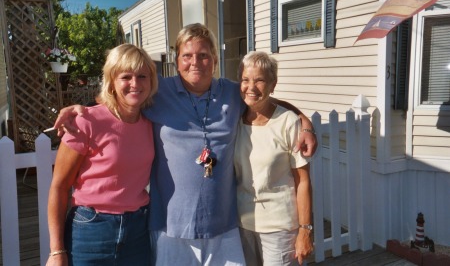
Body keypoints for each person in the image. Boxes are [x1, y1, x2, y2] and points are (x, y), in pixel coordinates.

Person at [53, 23, 317, 265]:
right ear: (177, 61)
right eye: (187, 56)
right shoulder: (158, 91)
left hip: (224, 225)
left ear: (214, 59)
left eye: (203, 55)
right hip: (170, 227)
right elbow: (121, 100)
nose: (195, 62)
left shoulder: (230, 91)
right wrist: (82, 109)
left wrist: (304, 121)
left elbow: (263, 98)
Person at [46, 44, 158, 266]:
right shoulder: (86, 121)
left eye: (142, 76)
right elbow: (59, 186)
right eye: (126, 76)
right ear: (112, 81)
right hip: (91, 230)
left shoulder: (152, 122)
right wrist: (56, 251)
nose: (135, 84)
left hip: (138, 231)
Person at [234, 51, 313, 266]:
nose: (251, 87)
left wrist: (305, 231)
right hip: (242, 224)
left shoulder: (287, 122)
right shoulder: (233, 119)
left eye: (259, 80)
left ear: (272, 84)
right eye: (245, 80)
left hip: (279, 228)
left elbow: (303, 181)